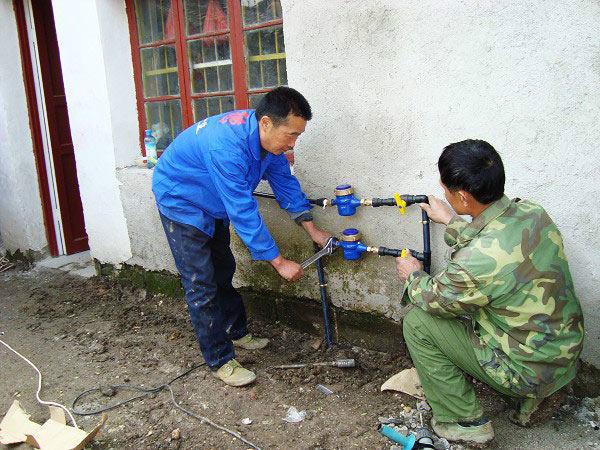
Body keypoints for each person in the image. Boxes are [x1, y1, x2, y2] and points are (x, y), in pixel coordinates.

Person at [396, 139, 584, 446]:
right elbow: (494, 243)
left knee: (418, 324)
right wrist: (451, 221)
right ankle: (545, 392)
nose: (443, 195)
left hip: (525, 370)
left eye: (446, 191)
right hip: (563, 354)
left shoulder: (475, 264)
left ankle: (464, 421)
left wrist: (412, 275)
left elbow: (434, 299)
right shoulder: (532, 212)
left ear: (463, 196)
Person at [152, 87, 330, 387]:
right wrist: (279, 261)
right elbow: (243, 210)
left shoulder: (269, 146)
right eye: (290, 135)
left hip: (212, 202)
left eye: (297, 137)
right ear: (266, 123)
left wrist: (313, 231)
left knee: (223, 270)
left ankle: (237, 331)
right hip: (181, 200)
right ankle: (220, 359)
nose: (292, 143)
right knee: (201, 283)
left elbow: (284, 184)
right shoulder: (227, 147)